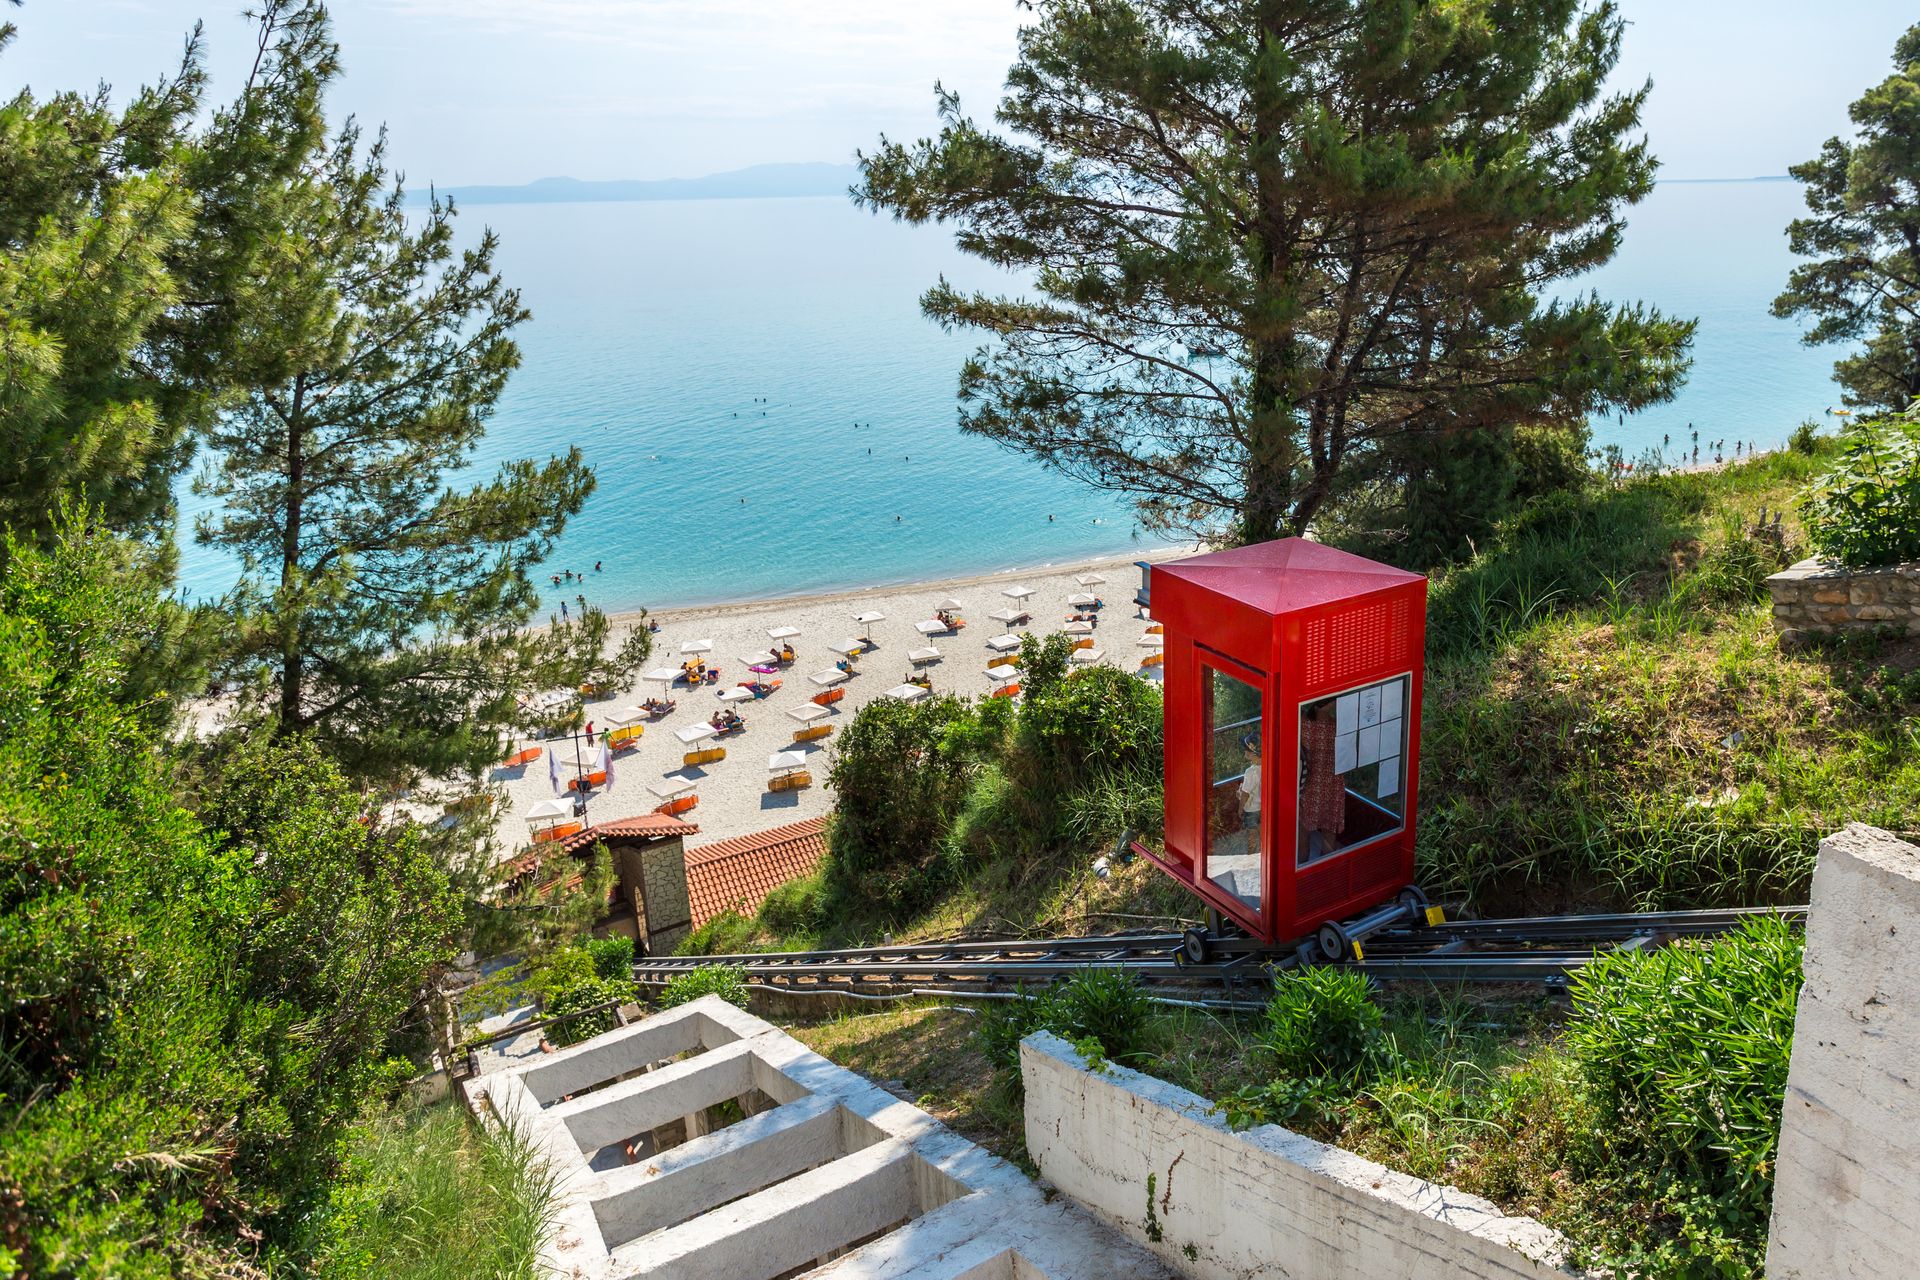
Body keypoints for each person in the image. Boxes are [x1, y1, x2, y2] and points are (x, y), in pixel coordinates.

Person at [1299, 702, 1347, 862]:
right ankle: (1325, 867)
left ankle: (1301, 865)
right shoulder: (1338, 727)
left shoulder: (1303, 723)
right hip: (1333, 785)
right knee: (1329, 829)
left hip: (1309, 783)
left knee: (1303, 830)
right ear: (1330, 704)